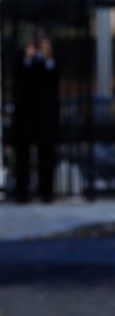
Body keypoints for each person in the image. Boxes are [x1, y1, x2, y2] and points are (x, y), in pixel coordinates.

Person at [13, 32, 60, 203]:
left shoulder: (50, 62)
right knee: (23, 156)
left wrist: (47, 56)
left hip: (46, 117)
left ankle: (47, 192)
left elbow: (54, 76)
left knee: (47, 155)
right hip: (25, 116)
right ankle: (22, 192)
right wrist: (28, 57)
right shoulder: (24, 59)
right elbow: (17, 74)